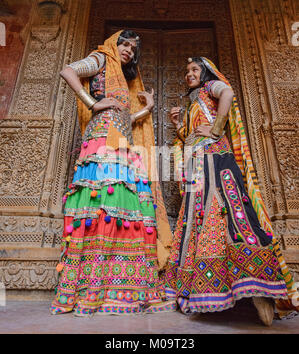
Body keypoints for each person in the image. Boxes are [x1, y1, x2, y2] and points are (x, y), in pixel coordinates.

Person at [166, 56, 299, 326]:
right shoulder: (194, 101)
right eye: (186, 71)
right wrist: (179, 126)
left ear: (205, 73)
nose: (189, 74)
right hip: (198, 164)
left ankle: (259, 289)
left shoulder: (211, 87)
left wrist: (216, 130)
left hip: (216, 161)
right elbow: (191, 137)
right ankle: (206, 289)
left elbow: (228, 92)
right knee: (198, 217)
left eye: (194, 70)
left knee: (230, 214)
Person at [50, 30, 175, 316]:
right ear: (113, 44)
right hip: (102, 142)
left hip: (122, 143)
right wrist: (92, 102)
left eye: (133, 48)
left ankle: (122, 286)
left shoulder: (121, 78)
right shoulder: (100, 60)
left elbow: (126, 119)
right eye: (125, 44)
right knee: (102, 208)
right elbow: (67, 70)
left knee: (125, 212)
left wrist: (149, 109)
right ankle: (93, 288)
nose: (129, 50)